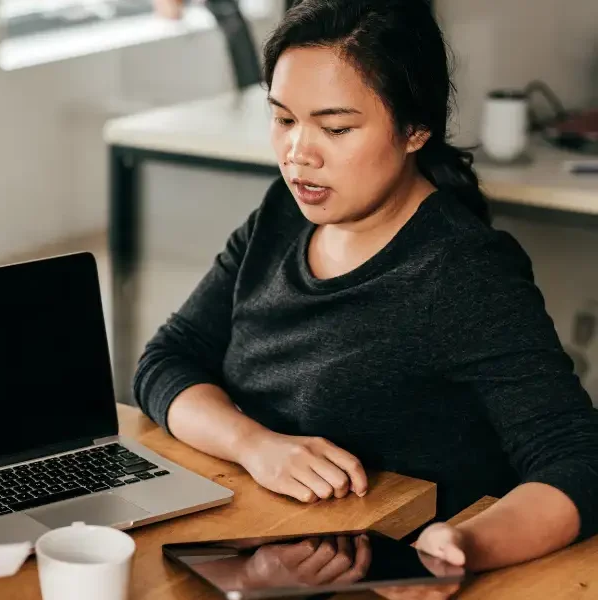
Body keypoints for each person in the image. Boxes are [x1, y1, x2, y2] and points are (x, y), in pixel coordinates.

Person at [134, 0, 598, 573]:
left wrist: (465, 545)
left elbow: (577, 460)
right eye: (283, 119)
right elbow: (166, 360)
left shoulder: (464, 271)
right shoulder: (282, 214)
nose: (299, 154)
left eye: (335, 128)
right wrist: (254, 446)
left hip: (375, 571)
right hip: (251, 538)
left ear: (415, 129)